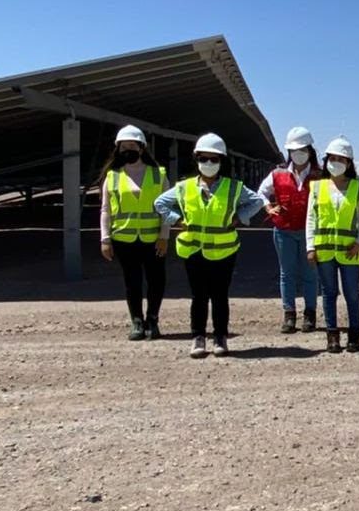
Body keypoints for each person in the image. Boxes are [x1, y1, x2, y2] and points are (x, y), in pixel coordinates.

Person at [155, 133, 265, 358]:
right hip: (194, 249)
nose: (208, 164)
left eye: (213, 159)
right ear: (196, 160)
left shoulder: (233, 187)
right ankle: (198, 337)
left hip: (224, 250)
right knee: (198, 296)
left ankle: (220, 337)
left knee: (220, 295)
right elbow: (160, 203)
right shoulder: (185, 187)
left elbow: (256, 201)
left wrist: (240, 217)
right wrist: (177, 220)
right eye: (204, 159)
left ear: (221, 161)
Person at [99, 125, 170, 341]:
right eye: (123, 146)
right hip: (124, 239)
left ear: (141, 148)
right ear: (117, 149)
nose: (127, 149)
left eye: (132, 145)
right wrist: (105, 238)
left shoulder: (159, 175)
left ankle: (153, 320)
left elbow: (168, 208)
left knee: (156, 280)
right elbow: (105, 209)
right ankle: (137, 322)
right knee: (132, 282)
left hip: (153, 239)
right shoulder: (112, 176)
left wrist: (164, 236)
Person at [307, 137, 359, 353]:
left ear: (349, 163)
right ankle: (332, 335)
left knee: (352, 293)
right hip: (324, 250)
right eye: (332, 159)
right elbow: (311, 219)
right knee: (329, 293)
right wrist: (310, 247)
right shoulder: (316, 187)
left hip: (349, 250)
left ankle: (354, 335)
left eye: (341, 159)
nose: (335, 163)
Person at [258, 126, 321, 334]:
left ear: (310, 150)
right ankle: (289, 314)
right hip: (283, 230)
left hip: (309, 231)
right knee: (287, 273)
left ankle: (310, 314)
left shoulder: (319, 175)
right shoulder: (278, 174)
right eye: (294, 150)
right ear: (289, 152)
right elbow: (261, 192)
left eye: (302, 149)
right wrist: (269, 207)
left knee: (310, 273)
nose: (299, 153)